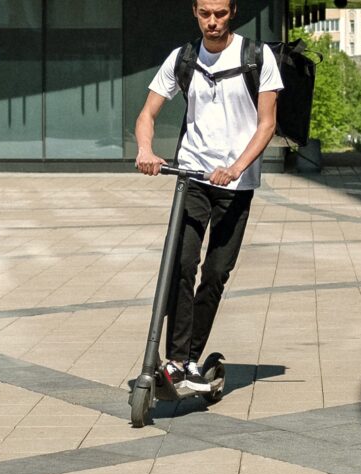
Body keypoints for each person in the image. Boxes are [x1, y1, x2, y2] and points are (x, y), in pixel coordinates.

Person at [134, 0, 283, 392]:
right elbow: (147, 114)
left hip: (236, 184)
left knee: (215, 273)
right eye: (205, 14)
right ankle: (177, 360)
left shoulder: (257, 56)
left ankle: (193, 359)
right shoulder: (183, 57)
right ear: (195, 13)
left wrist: (236, 167)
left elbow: (267, 124)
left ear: (232, 12)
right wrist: (146, 151)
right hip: (194, 177)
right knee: (181, 264)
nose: (212, 22)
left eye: (219, 13)